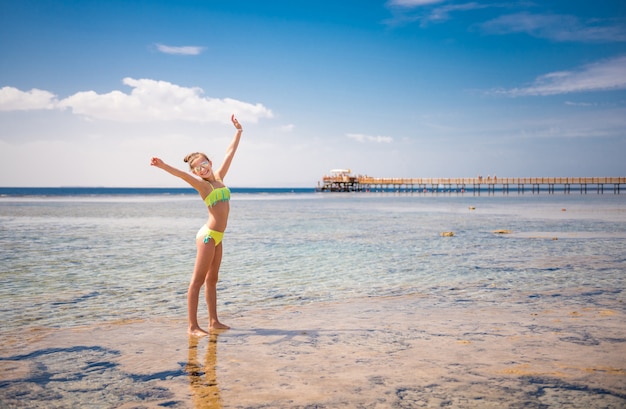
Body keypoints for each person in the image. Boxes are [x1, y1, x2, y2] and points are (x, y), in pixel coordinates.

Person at [150, 114, 243, 335]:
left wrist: (238, 131)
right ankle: (192, 326)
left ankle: (213, 322)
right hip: (208, 236)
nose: (202, 169)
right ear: (195, 172)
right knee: (198, 281)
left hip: (219, 237)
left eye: (204, 164)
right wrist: (163, 165)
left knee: (213, 280)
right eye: (197, 168)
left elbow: (230, 153)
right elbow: (181, 174)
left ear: (209, 162)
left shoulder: (219, 177)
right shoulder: (202, 186)